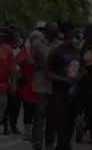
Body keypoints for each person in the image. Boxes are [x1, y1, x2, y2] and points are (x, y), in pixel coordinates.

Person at [46, 22, 81, 150]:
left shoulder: (78, 52)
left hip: (74, 95)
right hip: (59, 94)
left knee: (70, 124)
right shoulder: (56, 52)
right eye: (73, 35)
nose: (76, 38)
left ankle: (65, 145)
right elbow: (48, 73)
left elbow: (81, 70)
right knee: (61, 124)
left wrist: (80, 76)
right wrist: (63, 79)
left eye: (77, 35)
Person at [30, 22, 57, 150]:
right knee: (40, 113)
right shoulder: (37, 44)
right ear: (46, 31)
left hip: (55, 84)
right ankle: (37, 142)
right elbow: (31, 61)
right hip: (41, 82)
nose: (53, 33)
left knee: (52, 114)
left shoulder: (58, 45)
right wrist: (40, 65)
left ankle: (49, 142)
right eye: (51, 30)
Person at [16, 38, 38, 140]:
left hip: (39, 85)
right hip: (27, 86)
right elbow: (17, 60)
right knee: (28, 109)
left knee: (37, 110)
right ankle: (28, 133)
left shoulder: (43, 49)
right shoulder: (25, 50)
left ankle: (36, 131)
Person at [0, 28, 16, 134]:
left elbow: (12, 69)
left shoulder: (8, 50)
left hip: (2, 86)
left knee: (1, 111)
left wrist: (13, 85)